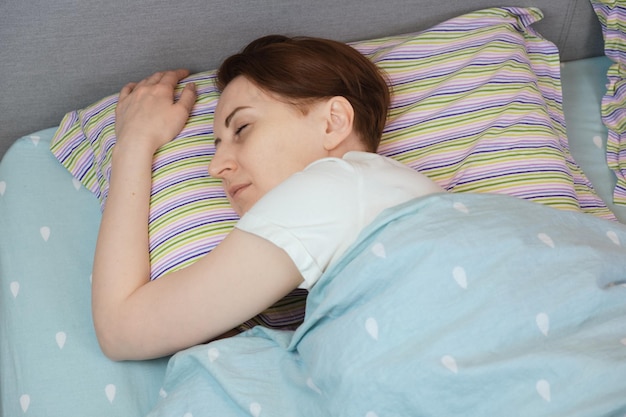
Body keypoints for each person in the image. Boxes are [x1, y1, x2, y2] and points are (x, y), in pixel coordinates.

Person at [91, 35, 444, 361]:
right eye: (217, 145)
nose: (215, 167)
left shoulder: (327, 190)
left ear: (333, 122)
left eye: (242, 128)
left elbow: (120, 329)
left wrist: (133, 143)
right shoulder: (397, 193)